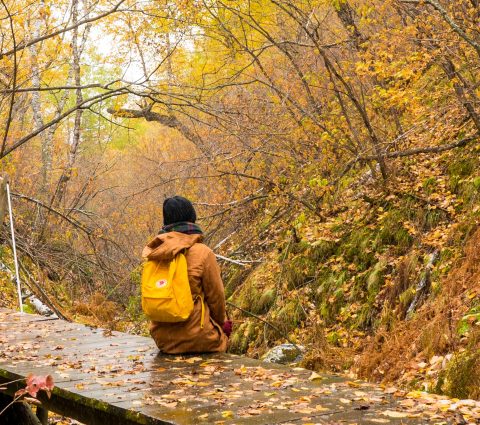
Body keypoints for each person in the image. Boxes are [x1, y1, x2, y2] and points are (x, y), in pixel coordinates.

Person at [142, 196, 232, 354]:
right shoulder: (203, 253)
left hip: (164, 342)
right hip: (202, 339)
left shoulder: (156, 254)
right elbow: (216, 298)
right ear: (192, 218)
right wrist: (222, 326)